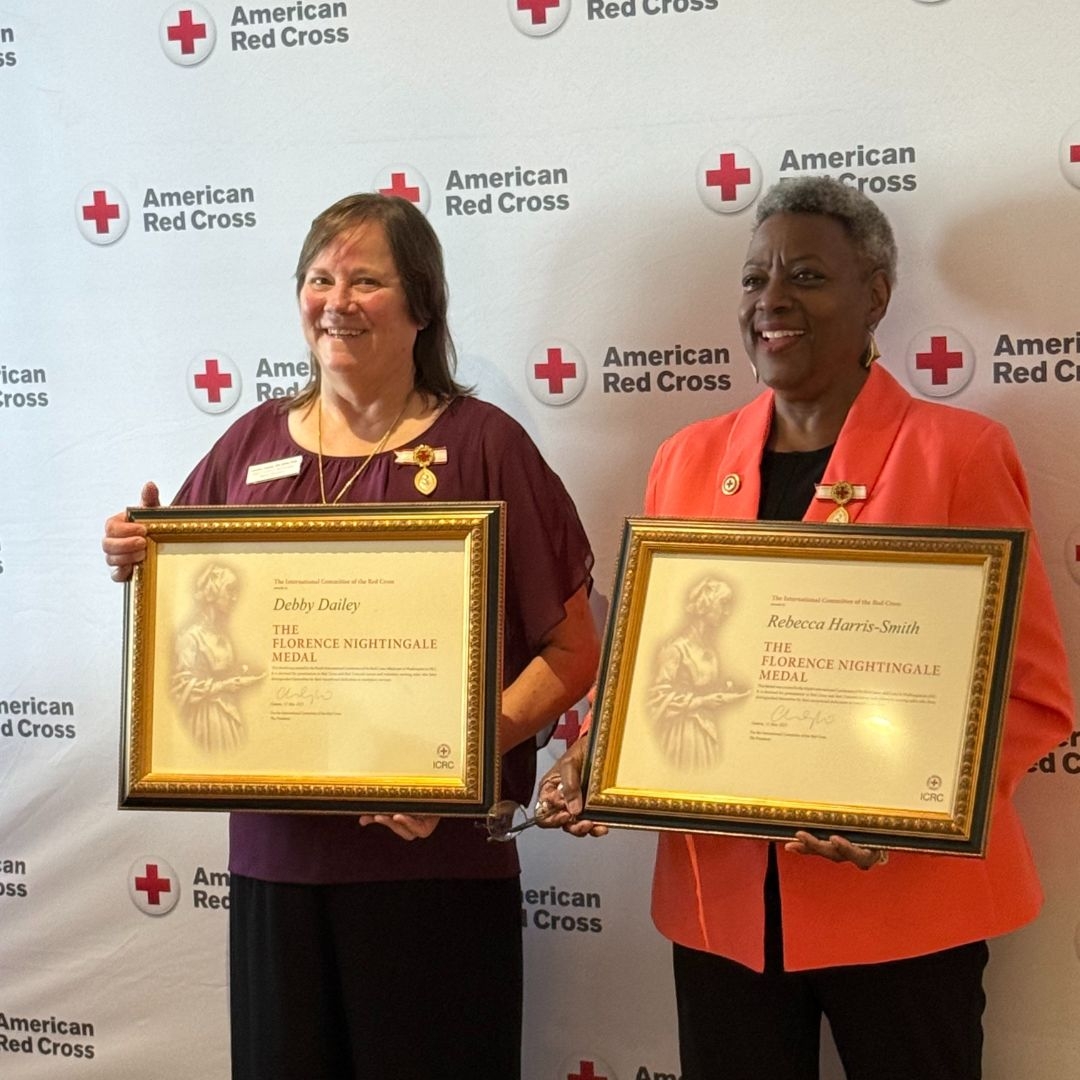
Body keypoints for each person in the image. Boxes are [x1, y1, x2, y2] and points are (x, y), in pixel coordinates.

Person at [540, 176, 1073, 1080]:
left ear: (876, 296)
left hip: (905, 904)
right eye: (755, 279)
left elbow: (1033, 693)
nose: (772, 300)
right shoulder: (686, 460)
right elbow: (650, 668)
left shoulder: (958, 454)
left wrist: (912, 814)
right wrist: (595, 756)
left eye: (807, 277)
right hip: (725, 910)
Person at [103, 192, 599, 1080]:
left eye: (366, 280)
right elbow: (184, 627)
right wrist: (138, 557)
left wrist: (453, 761)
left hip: (435, 869)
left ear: (422, 305)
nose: (337, 301)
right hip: (277, 866)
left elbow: (574, 653)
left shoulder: (486, 447)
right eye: (319, 278)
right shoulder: (246, 447)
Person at [648, 577, 747, 770]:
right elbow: (655, 699)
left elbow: (704, 690)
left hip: (706, 730)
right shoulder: (676, 649)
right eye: (723, 603)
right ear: (705, 605)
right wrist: (701, 702)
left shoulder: (709, 649)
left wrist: (725, 693)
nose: (727, 612)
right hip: (683, 734)